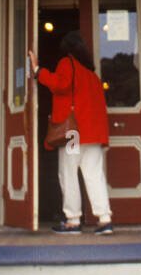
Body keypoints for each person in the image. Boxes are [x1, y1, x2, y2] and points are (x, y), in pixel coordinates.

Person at [29, 32, 113, 235]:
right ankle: (104, 218)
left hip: (74, 133)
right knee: (94, 175)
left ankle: (73, 220)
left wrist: (38, 70)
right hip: (92, 134)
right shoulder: (92, 74)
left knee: (68, 174)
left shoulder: (67, 63)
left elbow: (60, 84)